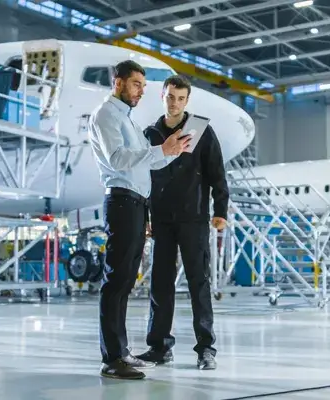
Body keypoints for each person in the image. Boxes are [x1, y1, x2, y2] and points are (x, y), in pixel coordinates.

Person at [88, 60, 191, 380]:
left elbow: (143, 164)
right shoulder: (106, 115)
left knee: (124, 282)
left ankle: (121, 352)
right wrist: (160, 150)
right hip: (120, 202)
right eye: (136, 85)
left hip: (134, 204)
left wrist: (169, 151)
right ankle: (112, 358)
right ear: (117, 82)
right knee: (116, 281)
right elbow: (117, 159)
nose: (141, 92)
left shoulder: (127, 120)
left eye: (143, 87)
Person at [135, 75, 229, 370]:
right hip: (162, 220)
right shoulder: (150, 133)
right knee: (160, 285)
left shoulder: (201, 132)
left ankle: (206, 348)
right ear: (162, 97)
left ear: (187, 101)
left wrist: (220, 211)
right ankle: (159, 347)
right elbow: (142, 178)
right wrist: (145, 216)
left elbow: (217, 175)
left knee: (198, 283)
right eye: (170, 97)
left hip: (194, 219)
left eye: (180, 98)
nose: (174, 103)